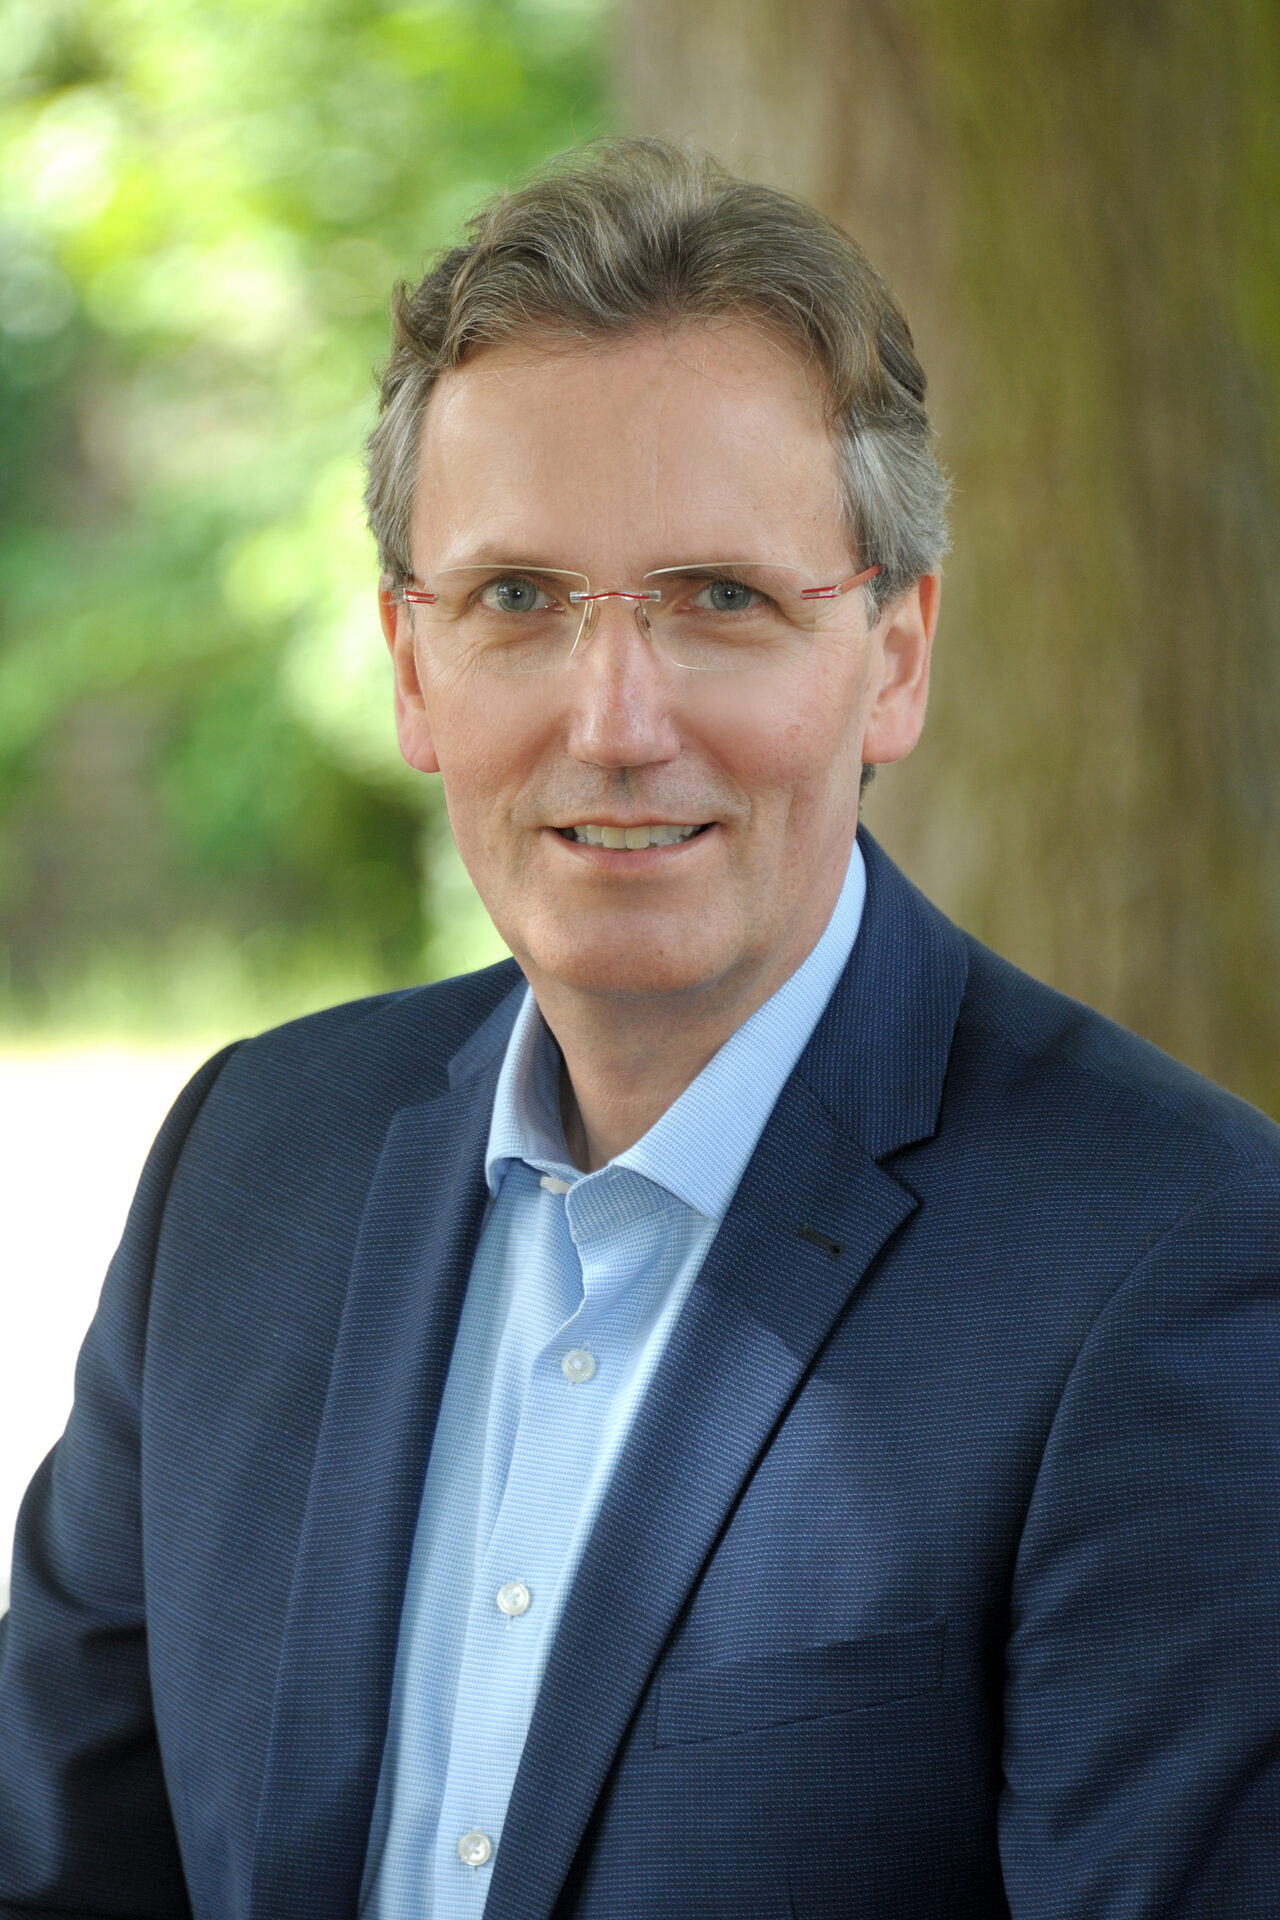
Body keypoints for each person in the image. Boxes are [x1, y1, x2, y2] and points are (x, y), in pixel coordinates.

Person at [1, 138, 1277, 1920]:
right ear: (411, 664)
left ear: (896, 654)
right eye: (519, 599)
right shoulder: (249, 1162)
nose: (615, 721)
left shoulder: (1171, 1253)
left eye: (721, 600)